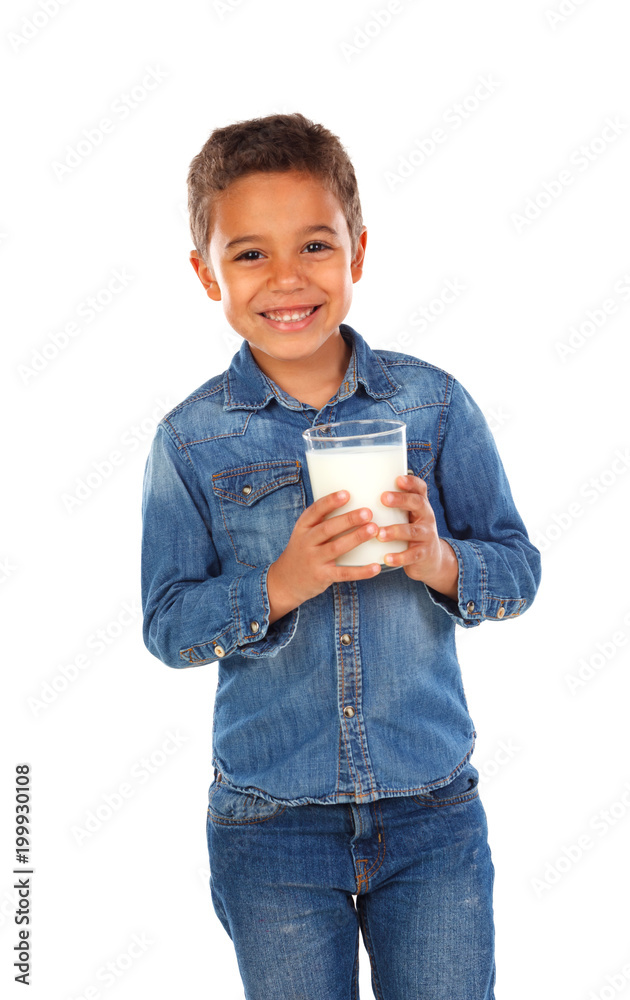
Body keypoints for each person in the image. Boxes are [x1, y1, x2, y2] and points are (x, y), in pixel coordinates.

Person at [141, 112, 541, 999]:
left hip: (432, 813)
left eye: (315, 244)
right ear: (208, 273)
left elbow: (517, 570)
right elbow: (167, 627)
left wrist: (440, 560)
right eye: (250, 254)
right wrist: (279, 584)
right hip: (270, 826)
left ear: (357, 251)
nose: (287, 278)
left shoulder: (433, 406)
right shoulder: (192, 438)